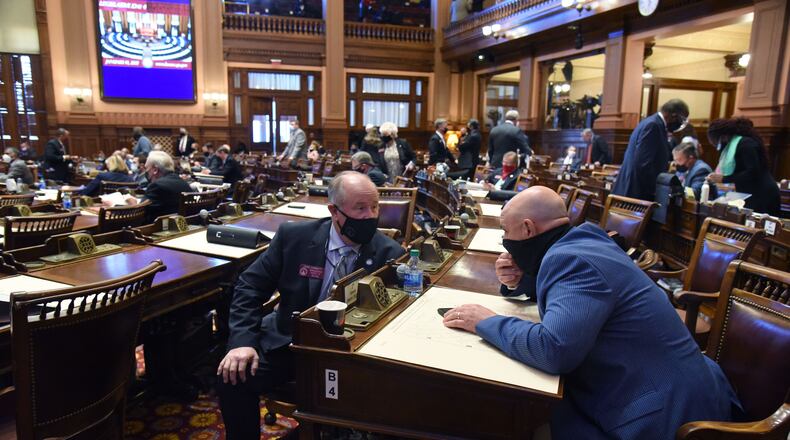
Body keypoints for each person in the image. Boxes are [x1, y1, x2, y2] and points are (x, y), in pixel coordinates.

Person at [443, 186, 740, 439]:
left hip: (658, 416)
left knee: (506, 419)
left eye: (506, 232)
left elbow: (554, 350)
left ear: (529, 229)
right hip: (675, 387)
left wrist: (486, 321)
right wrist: (524, 278)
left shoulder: (572, 260)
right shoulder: (583, 241)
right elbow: (576, 293)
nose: (505, 241)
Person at [217, 172, 405, 439]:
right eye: (360, 208)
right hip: (288, 342)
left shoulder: (389, 253)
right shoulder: (294, 237)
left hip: (349, 353)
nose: (370, 216)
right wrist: (242, 341)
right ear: (334, 211)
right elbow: (250, 286)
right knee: (232, 377)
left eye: (374, 207)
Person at [612, 99, 689, 201]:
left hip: (635, 189)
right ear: (674, 116)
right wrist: (657, 190)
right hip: (637, 193)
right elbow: (643, 163)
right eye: (681, 120)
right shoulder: (653, 126)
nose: (680, 124)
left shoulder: (651, 122)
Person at [706, 117, 780, 216]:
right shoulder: (733, 146)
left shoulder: (746, 144)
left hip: (762, 194)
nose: (714, 145)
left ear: (723, 136)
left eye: (714, 141)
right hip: (750, 193)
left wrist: (724, 179)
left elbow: (752, 172)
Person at [129, 151, 192, 222]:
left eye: (146, 168)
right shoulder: (183, 183)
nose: (146, 171)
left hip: (158, 229)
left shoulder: (156, 186)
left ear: (155, 170)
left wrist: (133, 205)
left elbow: (138, 214)